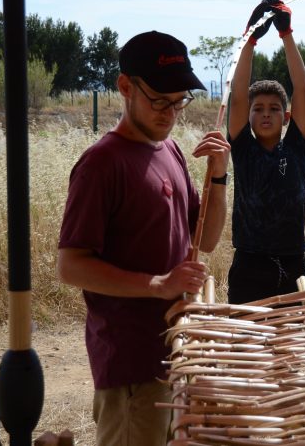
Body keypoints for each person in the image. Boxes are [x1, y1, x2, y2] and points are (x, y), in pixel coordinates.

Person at [57, 30, 231, 446]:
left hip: (175, 352)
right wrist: (159, 285)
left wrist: (220, 175)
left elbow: (205, 239)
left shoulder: (168, 150)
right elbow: (70, 265)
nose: (170, 113)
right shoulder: (101, 164)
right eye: (158, 100)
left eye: (178, 102)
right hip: (131, 366)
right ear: (124, 87)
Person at [226, 0, 305, 304]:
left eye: (274, 109)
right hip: (249, 266)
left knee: (294, 350)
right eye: (258, 109)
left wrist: (286, 35)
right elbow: (237, 95)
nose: (265, 114)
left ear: (286, 117)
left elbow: (302, 90)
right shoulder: (243, 149)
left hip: (294, 266)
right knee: (248, 349)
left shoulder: (296, 147)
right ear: (248, 116)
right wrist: (249, 40)